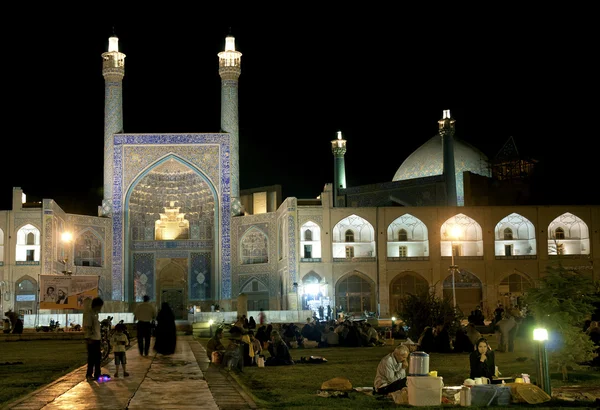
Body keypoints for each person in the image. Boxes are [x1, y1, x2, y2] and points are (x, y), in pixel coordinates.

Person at [83, 297, 104, 381]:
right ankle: (89, 374)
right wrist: (88, 338)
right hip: (92, 339)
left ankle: (97, 374)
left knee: (97, 358)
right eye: (100, 306)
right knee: (92, 358)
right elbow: (88, 327)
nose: (101, 308)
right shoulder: (89, 314)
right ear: (97, 305)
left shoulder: (95, 314)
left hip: (96, 338)